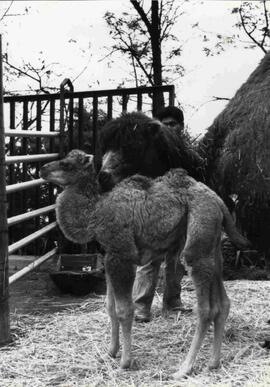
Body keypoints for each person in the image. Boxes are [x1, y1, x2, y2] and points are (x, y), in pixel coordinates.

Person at [133, 106, 204, 323]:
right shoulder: (150, 152)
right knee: (149, 258)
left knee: (178, 258)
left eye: (173, 123)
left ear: (181, 126)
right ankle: (140, 306)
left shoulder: (188, 152)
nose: (169, 127)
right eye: (164, 124)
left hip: (182, 209)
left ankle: (172, 302)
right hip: (155, 210)